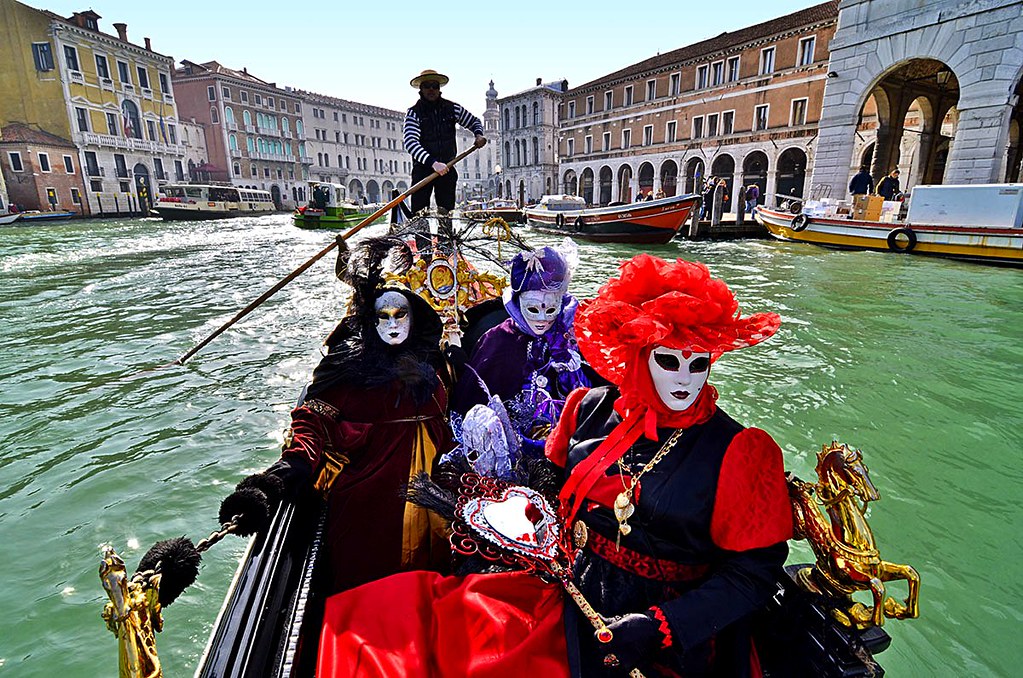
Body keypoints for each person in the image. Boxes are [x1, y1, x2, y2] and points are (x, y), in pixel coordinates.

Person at [546, 253, 793, 676]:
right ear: (640, 353)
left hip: (665, 631)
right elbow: (553, 490)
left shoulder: (739, 450)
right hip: (567, 587)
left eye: (698, 364)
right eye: (669, 360)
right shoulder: (587, 407)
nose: (684, 380)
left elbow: (753, 574)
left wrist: (662, 626)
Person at [218, 237, 454, 594]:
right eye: (383, 316)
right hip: (370, 514)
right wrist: (279, 477)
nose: (392, 323)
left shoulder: (432, 372)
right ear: (370, 321)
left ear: (414, 317)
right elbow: (312, 424)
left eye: (400, 314)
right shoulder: (348, 372)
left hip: (430, 504)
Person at [451, 244, 588, 456]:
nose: (542, 320)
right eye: (533, 309)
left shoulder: (567, 337)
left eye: (550, 309)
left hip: (561, 441)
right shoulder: (498, 341)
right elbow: (473, 401)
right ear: (518, 302)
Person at [403, 69, 487, 215]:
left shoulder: (452, 108)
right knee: (419, 213)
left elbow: (474, 121)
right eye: (427, 86)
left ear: (439, 88)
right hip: (423, 170)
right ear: (421, 89)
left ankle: (446, 238)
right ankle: (422, 238)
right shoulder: (413, 113)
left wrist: (478, 134)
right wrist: (434, 163)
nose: (431, 89)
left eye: (434, 86)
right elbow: (411, 143)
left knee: (446, 213)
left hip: (447, 168)